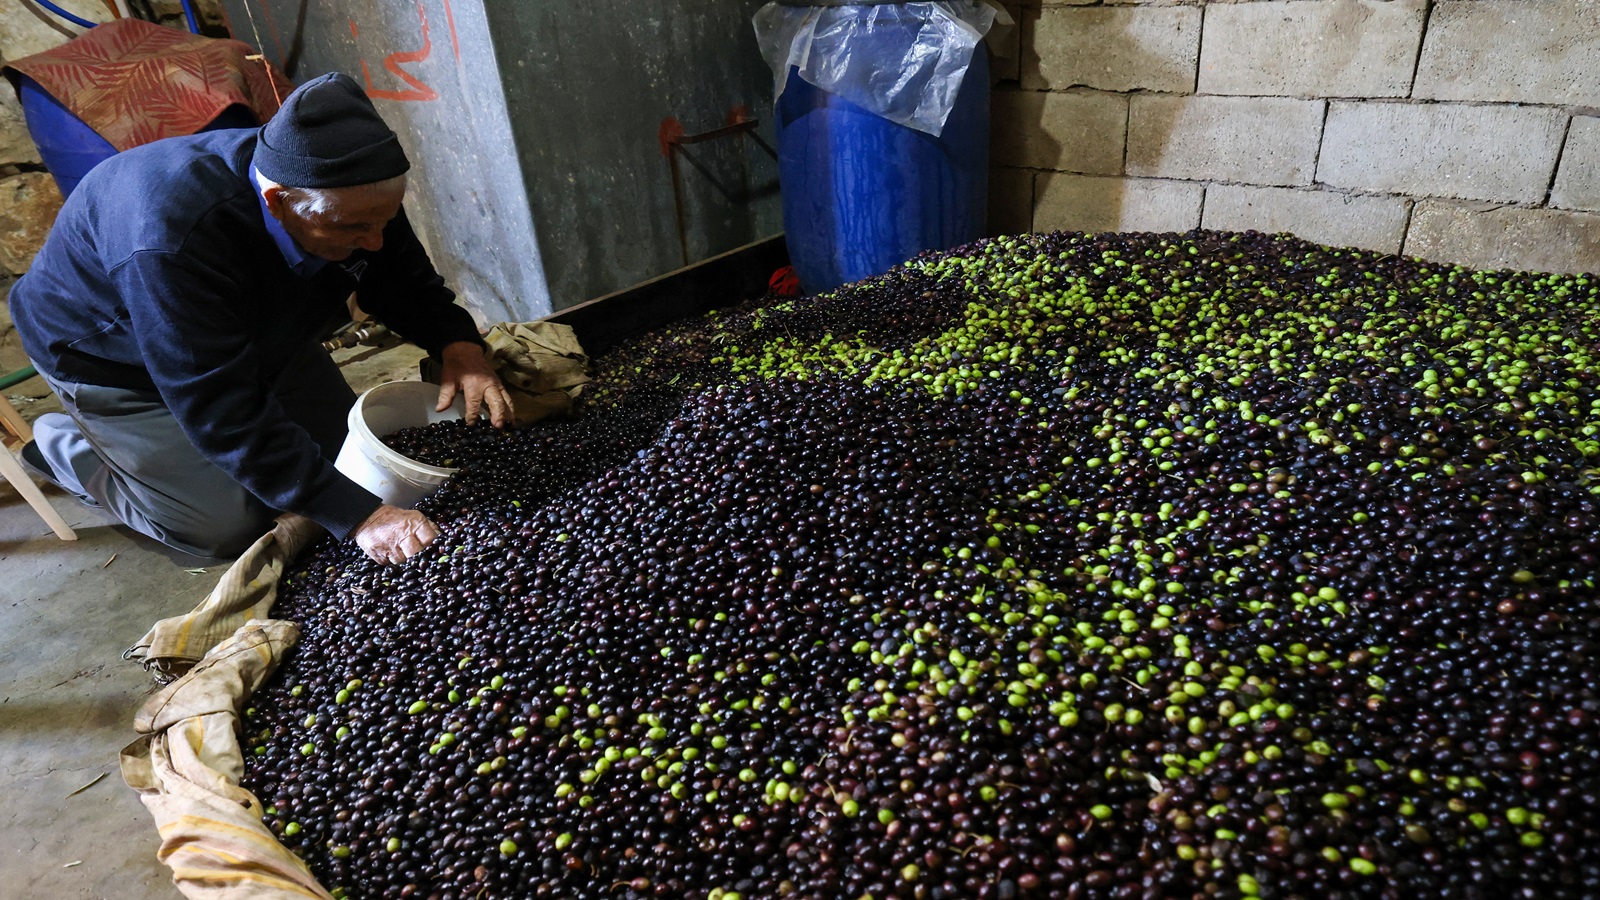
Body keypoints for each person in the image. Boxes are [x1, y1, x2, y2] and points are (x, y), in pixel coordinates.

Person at [8, 72, 512, 564]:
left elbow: (402, 279)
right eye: (356, 227)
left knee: (354, 466)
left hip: (257, 332)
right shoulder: (171, 237)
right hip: (118, 359)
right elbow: (216, 401)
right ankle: (65, 449)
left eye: (384, 220)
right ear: (279, 202)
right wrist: (363, 519)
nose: (376, 240)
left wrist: (457, 346)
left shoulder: (353, 187)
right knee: (223, 527)